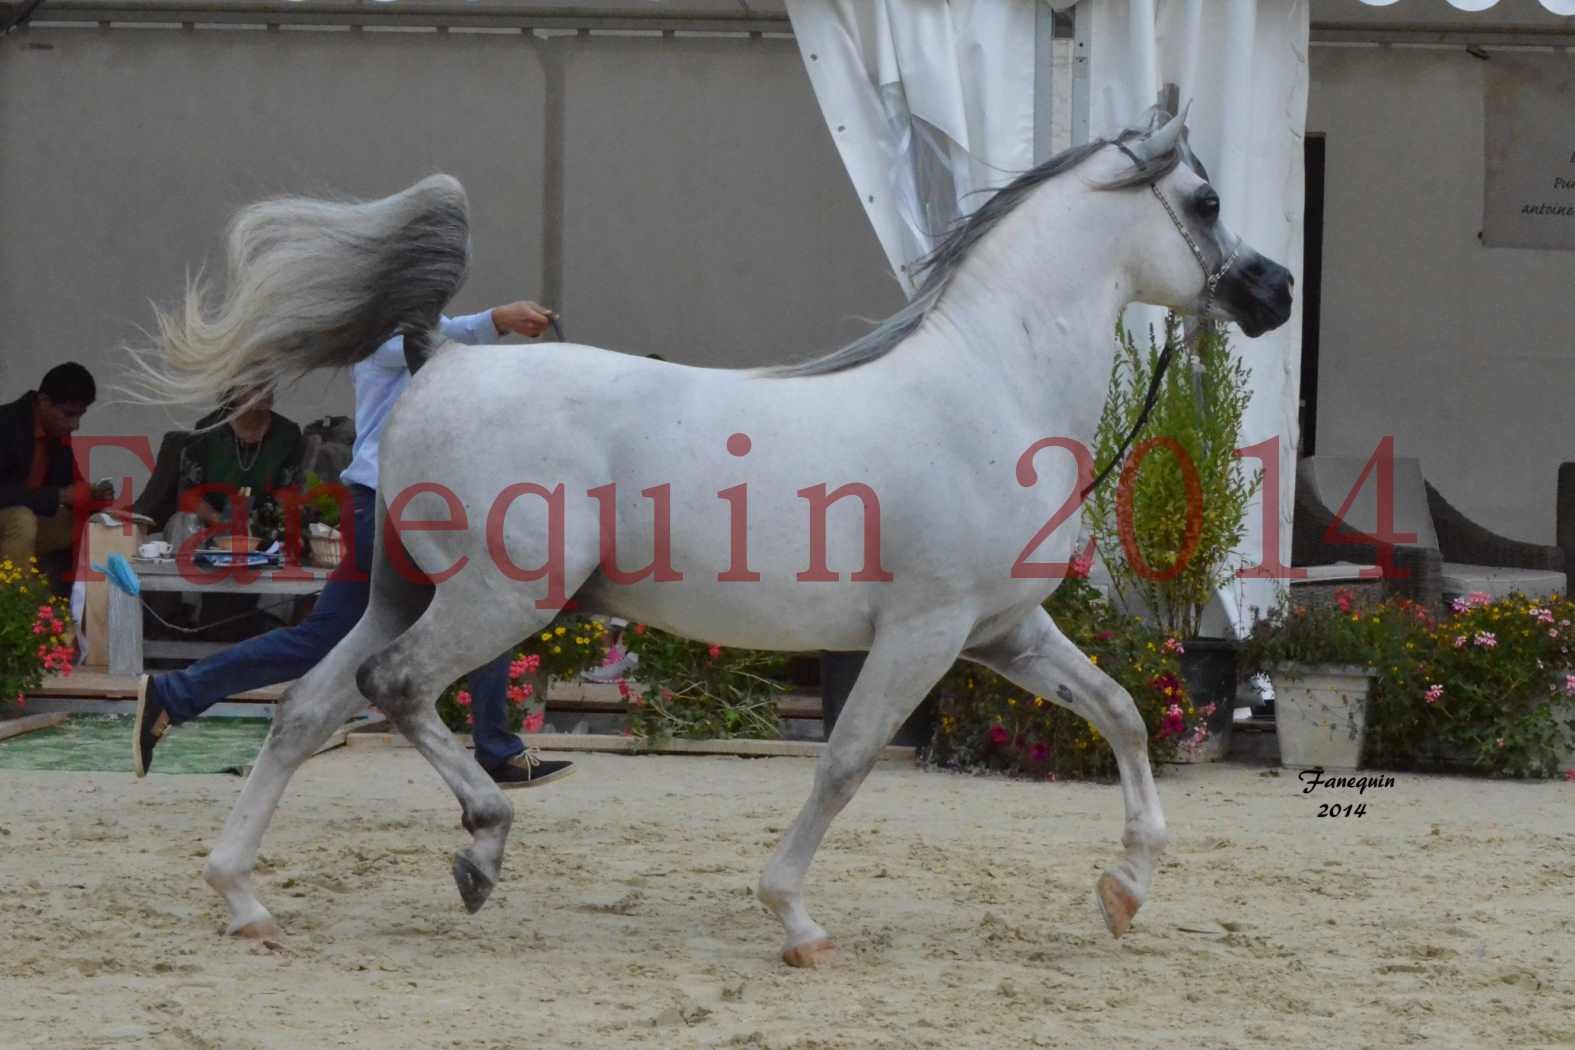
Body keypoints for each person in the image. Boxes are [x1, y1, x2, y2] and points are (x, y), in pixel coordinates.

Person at [133, 304, 575, 789]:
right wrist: (498, 320)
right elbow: (438, 342)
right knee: (485, 606)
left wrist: (498, 324)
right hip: (390, 507)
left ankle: (174, 694)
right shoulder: (382, 334)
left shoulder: (410, 327)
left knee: (320, 641)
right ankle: (495, 749)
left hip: (397, 507)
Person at [0, 363, 114, 580]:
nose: (75, 424)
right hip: (16, 521)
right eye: (69, 414)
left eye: (80, 416)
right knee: (21, 520)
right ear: (44, 402)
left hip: (29, 522)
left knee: (91, 523)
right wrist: (60, 495)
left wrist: (92, 496)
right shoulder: (5, 424)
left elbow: (71, 484)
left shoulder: (57, 434)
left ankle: (73, 601)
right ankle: (12, 607)